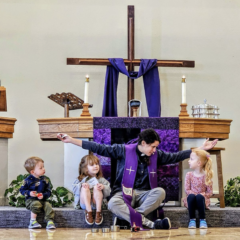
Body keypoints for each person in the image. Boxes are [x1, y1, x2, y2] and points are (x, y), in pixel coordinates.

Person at [57, 129, 217, 230]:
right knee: (113, 203)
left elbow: (175, 156)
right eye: (152, 146)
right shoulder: (123, 150)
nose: (155, 150)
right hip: (124, 193)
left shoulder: (156, 154)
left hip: (145, 195)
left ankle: (129, 219)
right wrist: (72, 140)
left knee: (160, 192)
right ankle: (150, 224)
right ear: (143, 143)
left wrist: (200, 148)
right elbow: (99, 148)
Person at [72, 154, 111, 225]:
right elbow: (74, 189)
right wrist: (81, 185)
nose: (95, 166)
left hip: (98, 203)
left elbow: (109, 191)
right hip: (85, 204)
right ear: (85, 168)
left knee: (97, 187)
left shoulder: (101, 180)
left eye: (96, 164)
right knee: (84, 188)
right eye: (92, 165)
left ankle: (99, 212)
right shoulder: (80, 179)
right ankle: (88, 211)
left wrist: (103, 187)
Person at [20, 156, 56, 229]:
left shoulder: (45, 180)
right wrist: (29, 193)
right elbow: (22, 190)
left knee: (48, 206)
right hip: (31, 200)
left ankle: (50, 222)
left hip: (42, 200)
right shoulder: (27, 180)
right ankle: (32, 221)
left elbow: (48, 191)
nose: (44, 169)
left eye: (43, 167)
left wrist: (43, 195)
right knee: (36, 204)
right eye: (41, 168)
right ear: (32, 171)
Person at [183, 149, 213, 229]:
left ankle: (202, 220)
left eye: (191, 159)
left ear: (199, 163)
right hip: (191, 199)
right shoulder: (189, 175)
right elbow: (187, 190)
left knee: (199, 197)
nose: (189, 161)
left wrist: (201, 194)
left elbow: (210, 192)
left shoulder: (206, 176)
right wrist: (194, 194)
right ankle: (192, 220)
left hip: (202, 200)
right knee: (191, 196)